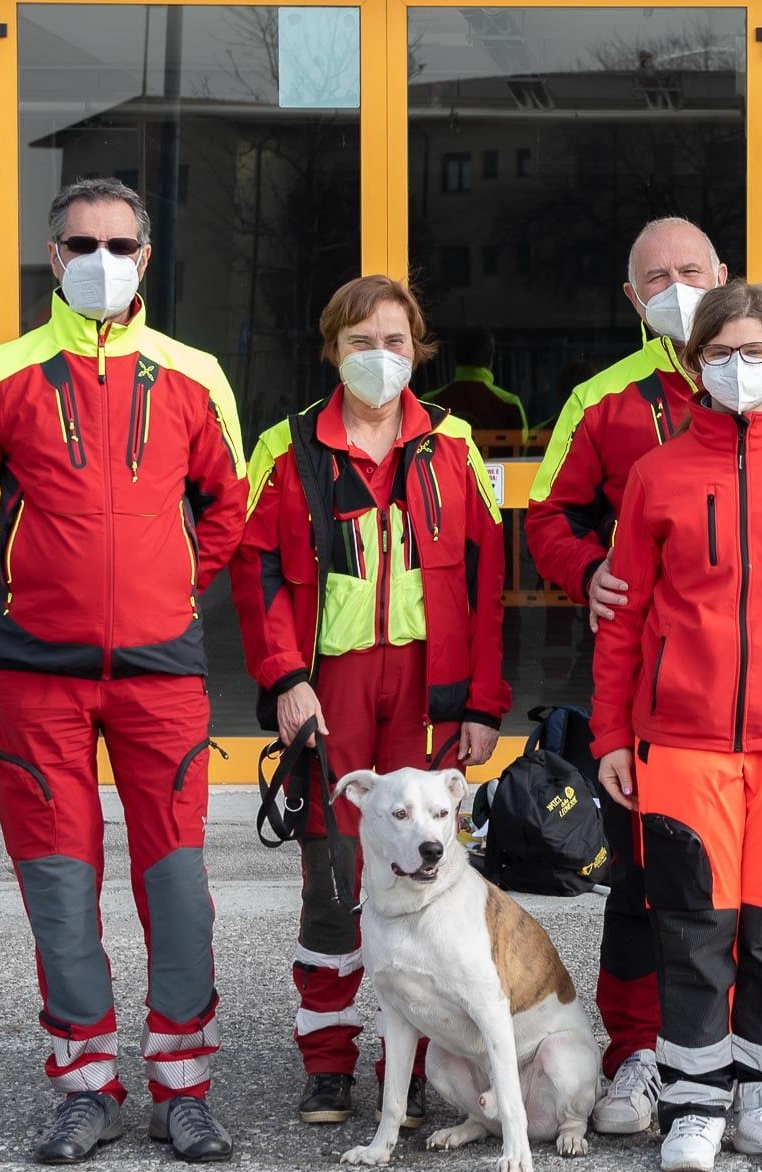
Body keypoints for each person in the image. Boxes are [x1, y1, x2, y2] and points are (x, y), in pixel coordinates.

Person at [526, 216, 762, 1134]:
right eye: (655, 277)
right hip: (667, 698)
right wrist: (589, 573)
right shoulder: (602, 400)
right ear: (633, 298)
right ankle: (642, 1054)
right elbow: (548, 517)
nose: (676, 287)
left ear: (722, 272)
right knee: (650, 889)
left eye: (690, 269)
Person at [0, 177, 245, 1164]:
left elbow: (228, 506)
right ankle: (84, 1087)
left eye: (118, 244)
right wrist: (18, 594)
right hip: (38, 677)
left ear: (145, 258)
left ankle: (183, 1089)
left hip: (161, 674)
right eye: (80, 244)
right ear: (53, 257)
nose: (100, 260)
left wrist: (173, 591)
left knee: (178, 885)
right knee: (60, 887)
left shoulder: (195, 376)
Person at [230, 275, 508, 1129]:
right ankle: (327, 1062)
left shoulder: (454, 446)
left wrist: (483, 703)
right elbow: (255, 573)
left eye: (394, 341)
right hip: (333, 689)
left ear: (416, 350)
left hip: (429, 687)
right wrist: (286, 678)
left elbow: (487, 581)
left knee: (430, 876)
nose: (378, 357)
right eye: (360, 342)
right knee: (334, 873)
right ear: (333, 350)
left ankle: (409, 1069)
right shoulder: (285, 449)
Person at [426, 327, 532, 452]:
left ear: (454, 358)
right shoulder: (509, 403)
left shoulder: (429, 402)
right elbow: (524, 450)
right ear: (491, 358)